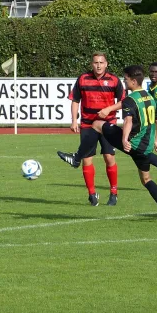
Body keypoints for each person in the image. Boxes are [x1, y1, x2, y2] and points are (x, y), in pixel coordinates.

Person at [58, 65, 157, 223]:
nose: (124, 81)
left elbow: (128, 121)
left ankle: (77, 158)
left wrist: (125, 139)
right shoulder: (149, 97)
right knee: (146, 180)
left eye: (125, 79)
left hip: (133, 143)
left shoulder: (131, 100)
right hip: (145, 147)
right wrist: (155, 140)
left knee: (97, 124)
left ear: (133, 81)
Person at [58, 52, 125, 207]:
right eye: (96, 62)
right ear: (91, 64)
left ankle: (113, 193)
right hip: (88, 124)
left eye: (101, 62)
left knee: (109, 157)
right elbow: (75, 100)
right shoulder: (83, 79)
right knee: (87, 159)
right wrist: (74, 120)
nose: (99, 65)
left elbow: (124, 101)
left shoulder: (114, 80)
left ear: (106, 64)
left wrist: (109, 109)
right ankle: (92, 194)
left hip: (108, 124)